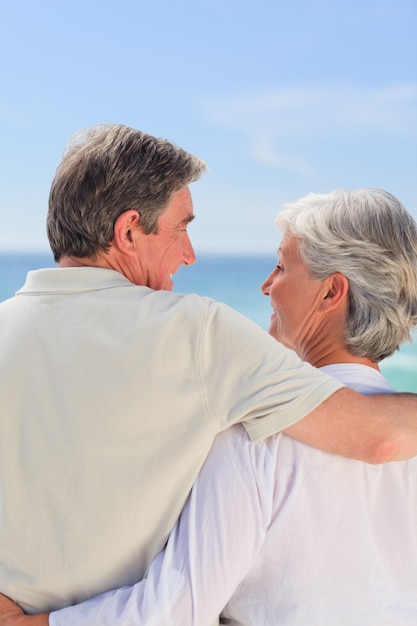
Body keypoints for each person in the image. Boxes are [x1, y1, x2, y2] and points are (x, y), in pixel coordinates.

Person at [0, 129, 417, 624]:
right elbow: (378, 435)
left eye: (281, 266)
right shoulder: (201, 340)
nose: (190, 253)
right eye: (181, 229)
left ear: (332, 294)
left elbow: (180, 603)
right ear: (129, 231)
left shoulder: (250, 438)